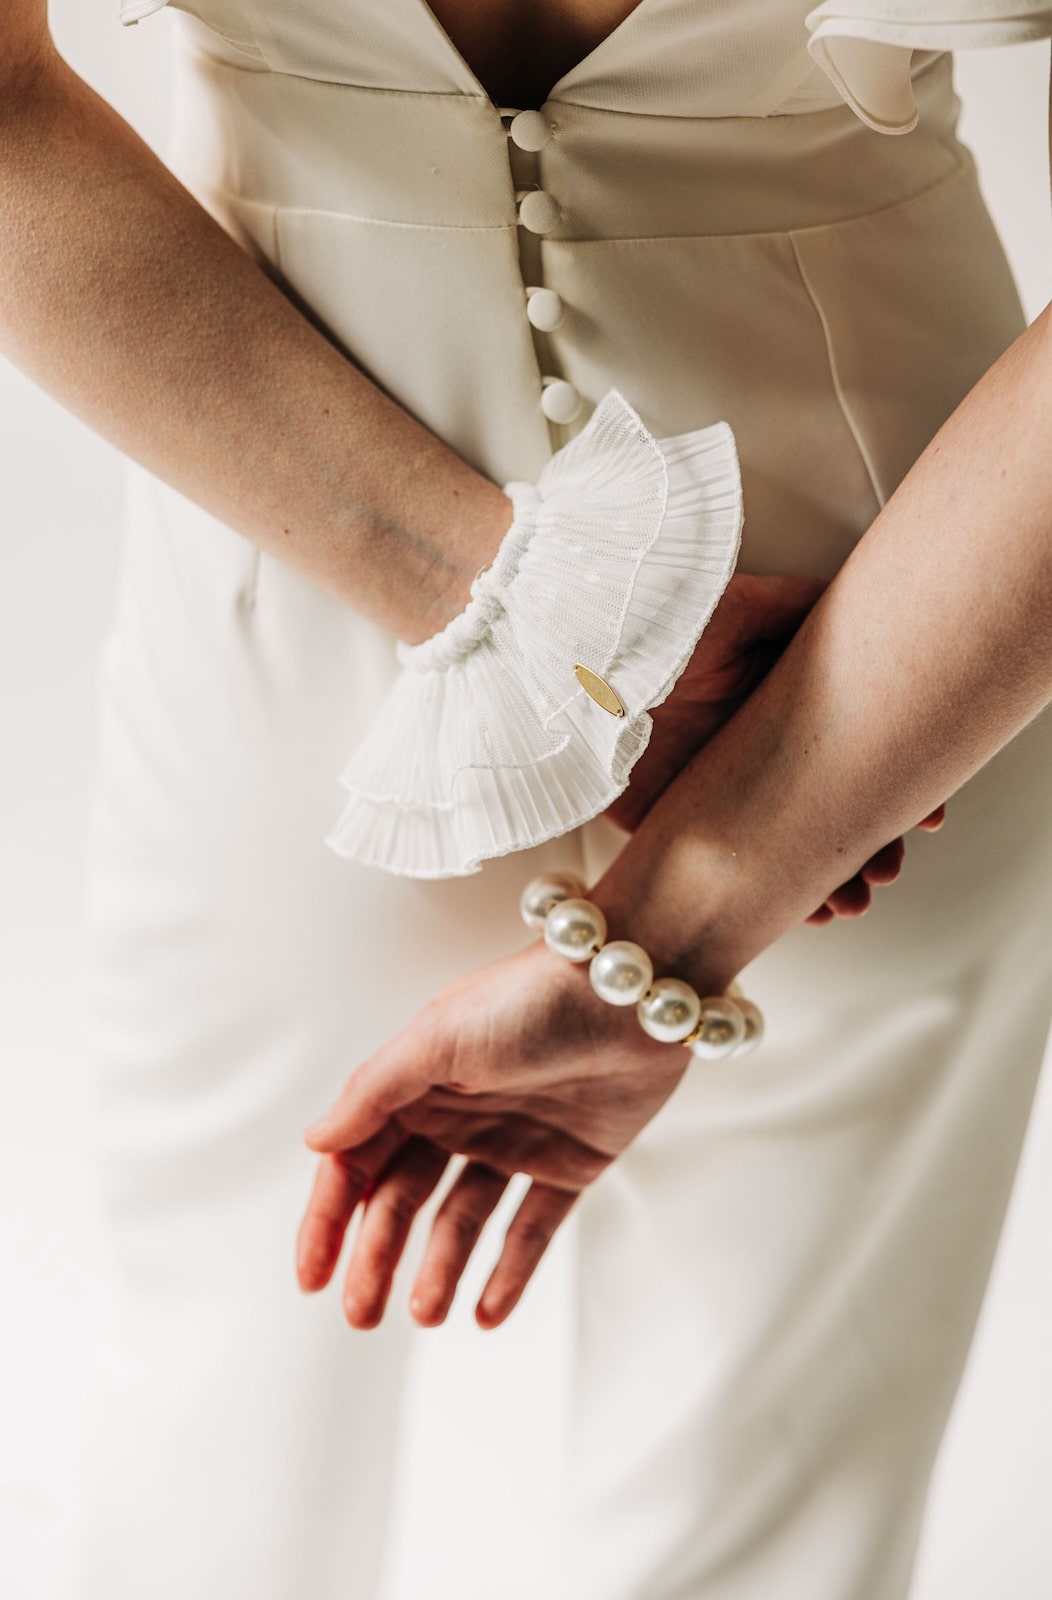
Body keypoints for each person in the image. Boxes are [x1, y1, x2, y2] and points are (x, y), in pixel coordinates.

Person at [1, 1, 1050, 1597]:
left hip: (296, 565)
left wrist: (521, 610)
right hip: (903, 625)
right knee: (769, 1511)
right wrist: (702, 886)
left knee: (211, 1457)